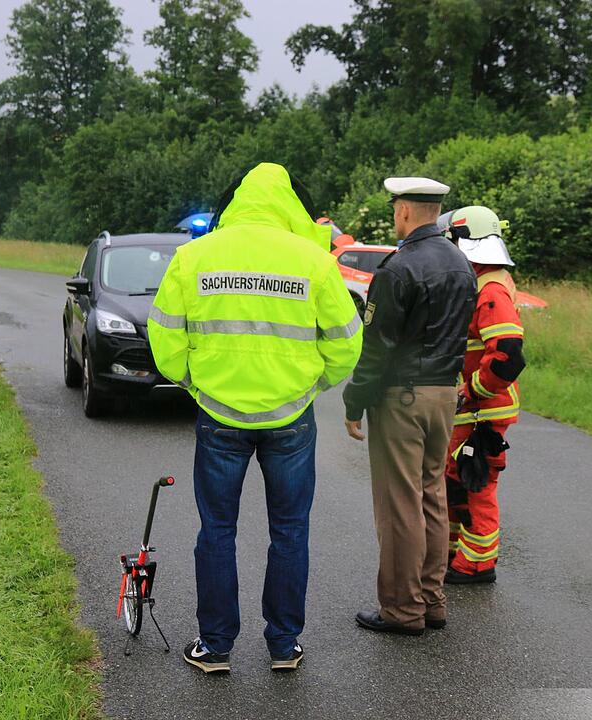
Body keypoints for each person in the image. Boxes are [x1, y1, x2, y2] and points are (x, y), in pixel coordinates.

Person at [148, 163, 363, 673]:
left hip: (218, 415)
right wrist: (313, 385)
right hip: (291, 417)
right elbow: (347, 342)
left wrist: (194, 383)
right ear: (287, 204)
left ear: (238, 201)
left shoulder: (192, 257)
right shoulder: (314, 261)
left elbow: (163, 337)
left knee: (216, 532)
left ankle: (215, 646)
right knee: (289, 531)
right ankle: (284, 646)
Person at [342, 177, 476, 635]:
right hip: (444, 394)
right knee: (432, 496)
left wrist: (354, 400)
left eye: (395, 207)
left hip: (403, 397)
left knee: (399, 504)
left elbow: (377, 347)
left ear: (403, 211)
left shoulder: (398, 269)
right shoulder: (462, 263)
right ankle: (432, 601)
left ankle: (402, 609)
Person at [437, 206, 525, 584]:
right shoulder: (484, 282)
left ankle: (477, 564)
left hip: (481, 410)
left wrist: (472, 392)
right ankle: (457, 552)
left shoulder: (490, 290)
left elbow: (507, 355)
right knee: (455, 478)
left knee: (477, 482)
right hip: (474, 409)